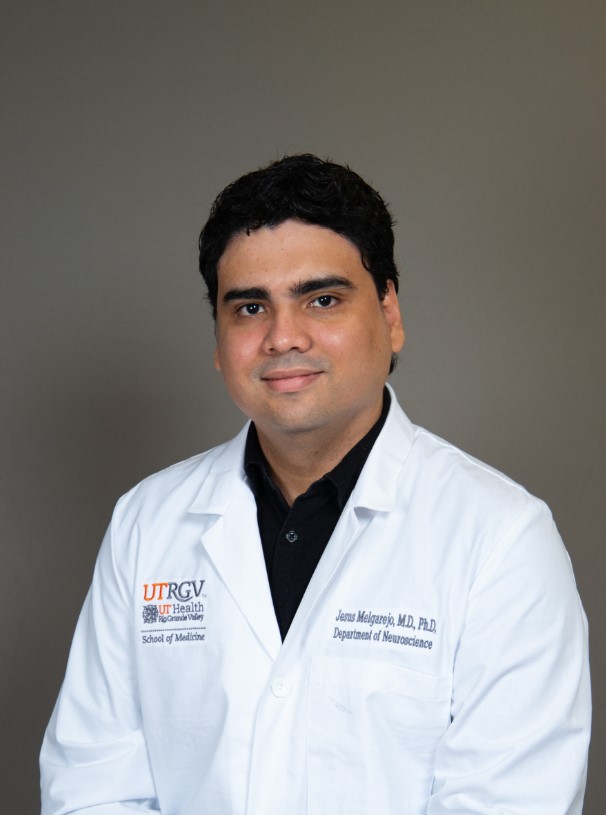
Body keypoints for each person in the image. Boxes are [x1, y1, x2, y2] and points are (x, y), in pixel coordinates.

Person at [40, 154, 591, 814]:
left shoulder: (500, 538)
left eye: (322, 299)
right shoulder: (148, 522)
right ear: (218, 340)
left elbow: (510, 802)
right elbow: (91, 786)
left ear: (389, 313)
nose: (282, 337)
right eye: (249, 307)